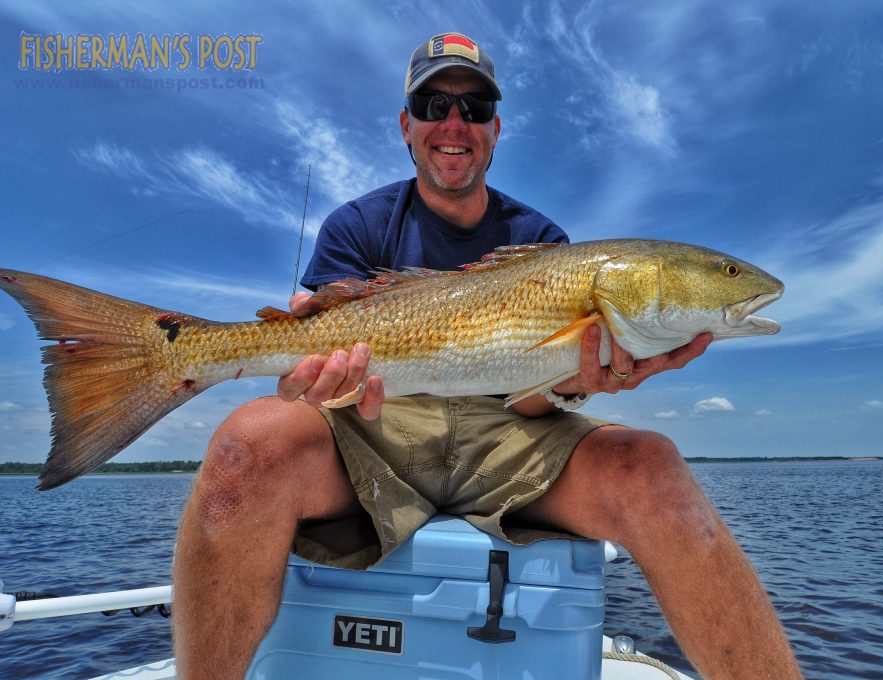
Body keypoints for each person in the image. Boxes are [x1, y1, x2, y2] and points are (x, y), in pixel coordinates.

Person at [172, 32, 803, 680]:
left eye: (473, 109)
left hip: (510, 433)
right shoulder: (354, 226)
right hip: (375, 425)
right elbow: (313, 372)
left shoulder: (545, 242)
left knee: (653, 468)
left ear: (496, 128)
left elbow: (527, 401)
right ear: (406, 125)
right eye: (434, 105)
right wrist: (318, 379)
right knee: (241, 450)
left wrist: (573, 383)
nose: (454, 123)